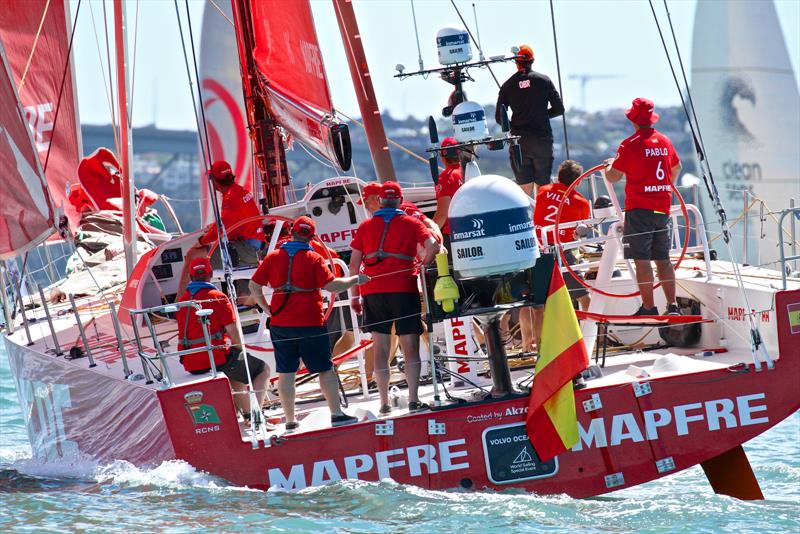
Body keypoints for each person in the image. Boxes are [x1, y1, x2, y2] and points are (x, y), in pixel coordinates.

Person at [249, 216, 367, 430]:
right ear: (312, 237)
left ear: (292, 232)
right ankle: (337, 414)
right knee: (325, 369)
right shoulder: (314, 258)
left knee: (286, 372)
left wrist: (267, 309)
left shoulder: (273, 257)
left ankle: (291, 421)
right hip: (310, 323)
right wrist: (356, 279)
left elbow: (254, 286)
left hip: (281, 325)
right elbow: (332, 286)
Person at [349, 182, 439, 415]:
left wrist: (354, 296)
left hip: (372, 291)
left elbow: (353, 265)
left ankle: (383, 402)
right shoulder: (411, 222)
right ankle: (413, 399)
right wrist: (421, 265)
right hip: (403, 288)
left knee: (380, 347)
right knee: (410, 345)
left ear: (380, 201)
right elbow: (434, 245)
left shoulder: (365, 225)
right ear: (400, 201)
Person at [604, 98, 682, 316]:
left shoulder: (629, 145)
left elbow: (612, 177)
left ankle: (649, 308)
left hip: (639, 210)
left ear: (633, 120)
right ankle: (672, 306)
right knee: (663, 259)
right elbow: (677, 167)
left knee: (642, 260)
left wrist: (610, 164)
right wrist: (664, 188)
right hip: (662, 208)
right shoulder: (665, 141)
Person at [176, 257, 270, 421]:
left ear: (190, 277)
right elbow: (235, 334)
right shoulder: (217, 297)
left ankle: (248, 414)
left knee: (234, 370)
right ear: (210, 274)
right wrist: (240, 350)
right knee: (262, 369)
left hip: (190, 362)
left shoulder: (182, 301)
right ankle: (257, 417)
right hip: (213, 359)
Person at [180, 161, 265, 294]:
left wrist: (201, 241)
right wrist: (213, 227)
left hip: (248, 251)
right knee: (202, 253)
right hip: (253, 247)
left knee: (193, 255)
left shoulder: (230, 198)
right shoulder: (240, 191)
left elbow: (222, 230)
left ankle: (182, 302)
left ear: (215, 181)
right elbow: (230, 222)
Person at [495, 44, 564, 196]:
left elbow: (499, 117)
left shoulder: (508, 85)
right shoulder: (544, 81)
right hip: (542, 140)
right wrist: (542, 115)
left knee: (524, 192)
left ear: (516, 62)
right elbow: (560, 109)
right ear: (532, 61)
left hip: (520, 142)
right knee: (543, 189)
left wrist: (515, 126)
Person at [534, 159, 592, 311]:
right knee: (585, 299)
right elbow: (579, 231)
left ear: (559, 177)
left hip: (537, 250)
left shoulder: (543, 190)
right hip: (561, 253)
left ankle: (526, 335)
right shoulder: (582, 203)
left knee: (534, 305)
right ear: (577, 181)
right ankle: (591, 334)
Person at [433, 137, 464, 251]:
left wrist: (429, 235)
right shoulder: (470, 171)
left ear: (442, 157)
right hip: (476, 232)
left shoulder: (445, 178)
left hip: (454, 236)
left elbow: (442, 214)